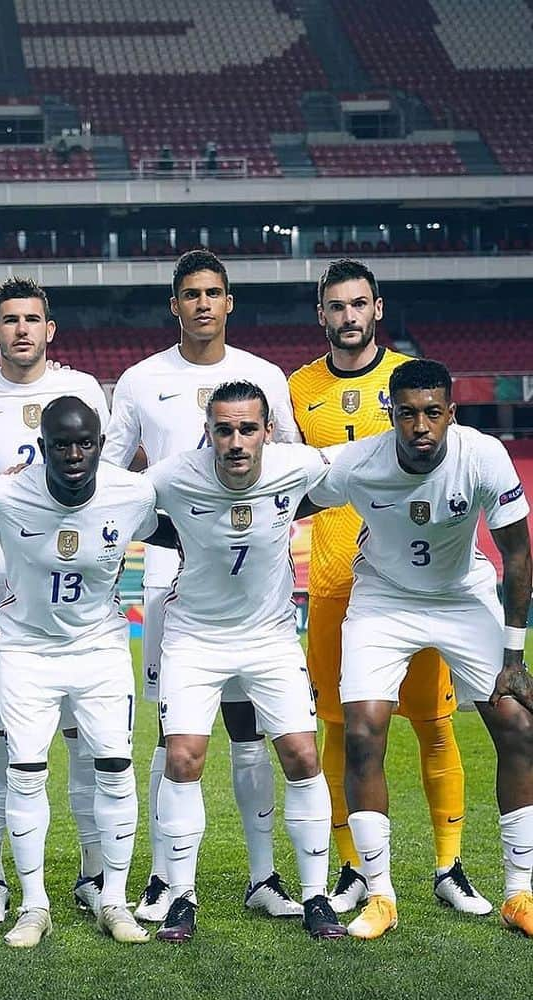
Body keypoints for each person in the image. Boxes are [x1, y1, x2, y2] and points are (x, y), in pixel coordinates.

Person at [102, 249, 302, 923]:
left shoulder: (265, 377)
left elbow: (292, 477)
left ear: (229, 301)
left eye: (214, 292)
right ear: (175, 304)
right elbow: (114, 476)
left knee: (251, 734)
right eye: (191, 293)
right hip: (172, 584)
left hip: (254, 588)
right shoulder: (139, 379)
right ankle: (165, 879)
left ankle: (263, 874)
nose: (203, 304)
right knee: (174, 738)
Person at [306, 358, 533, 940]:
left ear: (451, 414)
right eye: (408, 414)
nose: (421, 426)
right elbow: (295, 495)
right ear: (392, 415)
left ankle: (520, 891)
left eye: (433, 412)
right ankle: (379, 895)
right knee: (360, 732)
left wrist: (514, 659)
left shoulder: (482, 455)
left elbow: (518, 556)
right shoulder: (359, 461)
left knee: (518, 725)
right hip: (383, 598)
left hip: (462, 595)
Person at [288, 260, 489, 915]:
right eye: (335, 306)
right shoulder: (297, 388)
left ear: (377, 308)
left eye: (358, 304)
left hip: (416, 583)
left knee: (434, 725)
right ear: (321, 313)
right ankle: (353, 867)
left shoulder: (410, 380)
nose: (347, 316)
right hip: (333, 587)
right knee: (344, 731)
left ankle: (448, 864)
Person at [145, 381, 346, 943]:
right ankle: (182, 898)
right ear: (207, 432)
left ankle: (315, 897)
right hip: (194, 638)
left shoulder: (298, 465)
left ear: (268, 432)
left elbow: (355, 467)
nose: (236, 441)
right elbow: (118, 503)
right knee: (183, 759)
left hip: (270, 638)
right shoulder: (172, 476)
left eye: (247, 429)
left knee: (303, 754)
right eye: (224, 429)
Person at [0, 276, 111, 925]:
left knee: (85, 740)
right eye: (9, 319)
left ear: (50, 328)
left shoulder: (82, 391)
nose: (20, 329)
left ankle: (93, 872)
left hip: (74, 594)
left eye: (31, 318)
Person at [0, 396, 159, 947]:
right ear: (41, 449)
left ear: (100, 444)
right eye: (61, 444)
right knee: (26, 773)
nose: (74, 454)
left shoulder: (133, 492)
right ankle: (33, 904)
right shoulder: (3, 496)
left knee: (115, 768)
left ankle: (115, 901)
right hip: (25, 650)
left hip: (100, 648)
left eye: (86, 442)